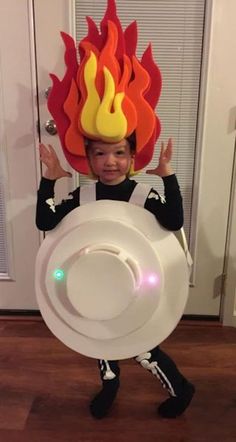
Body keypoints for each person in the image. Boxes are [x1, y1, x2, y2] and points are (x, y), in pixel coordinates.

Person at [36, 136, 195, 419]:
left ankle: (180, 389)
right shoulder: (82, 198)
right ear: (89, 158)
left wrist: (167, 174)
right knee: (99, 332)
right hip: (94, 282)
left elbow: (174, 221)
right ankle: (110, 385)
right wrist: (49, 179)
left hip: (139, 285)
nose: (110, 161)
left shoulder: (143, 196)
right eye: (100, 153)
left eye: (119, 152)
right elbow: (45, 222)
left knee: (144, 349)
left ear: (132, 156)